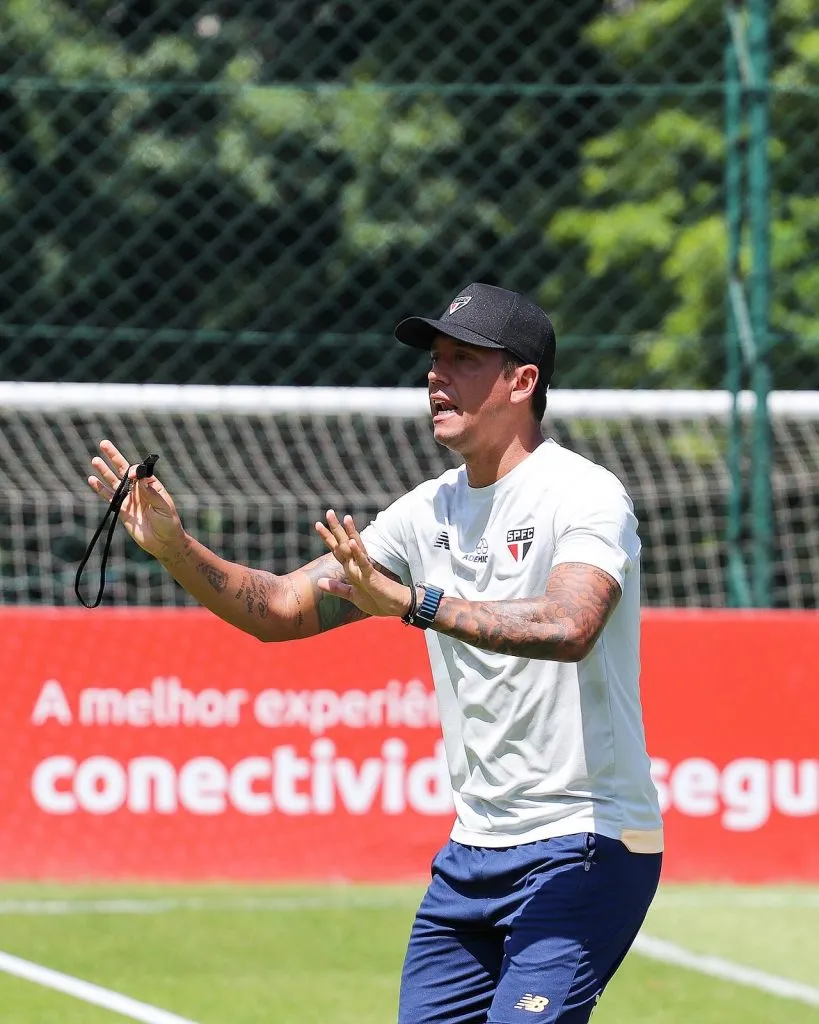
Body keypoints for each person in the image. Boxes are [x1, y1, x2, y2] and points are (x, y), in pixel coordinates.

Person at [88, 281, 663, 1024]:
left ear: (523, 382)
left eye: (462, 359)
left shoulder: (583, 494)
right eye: (433, 359)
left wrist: (414, 603)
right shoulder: (427, 510)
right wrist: (174, 547)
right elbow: (282, 609)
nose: (435, 375)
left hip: (587, 843)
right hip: (472, 855)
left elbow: (568, 623)